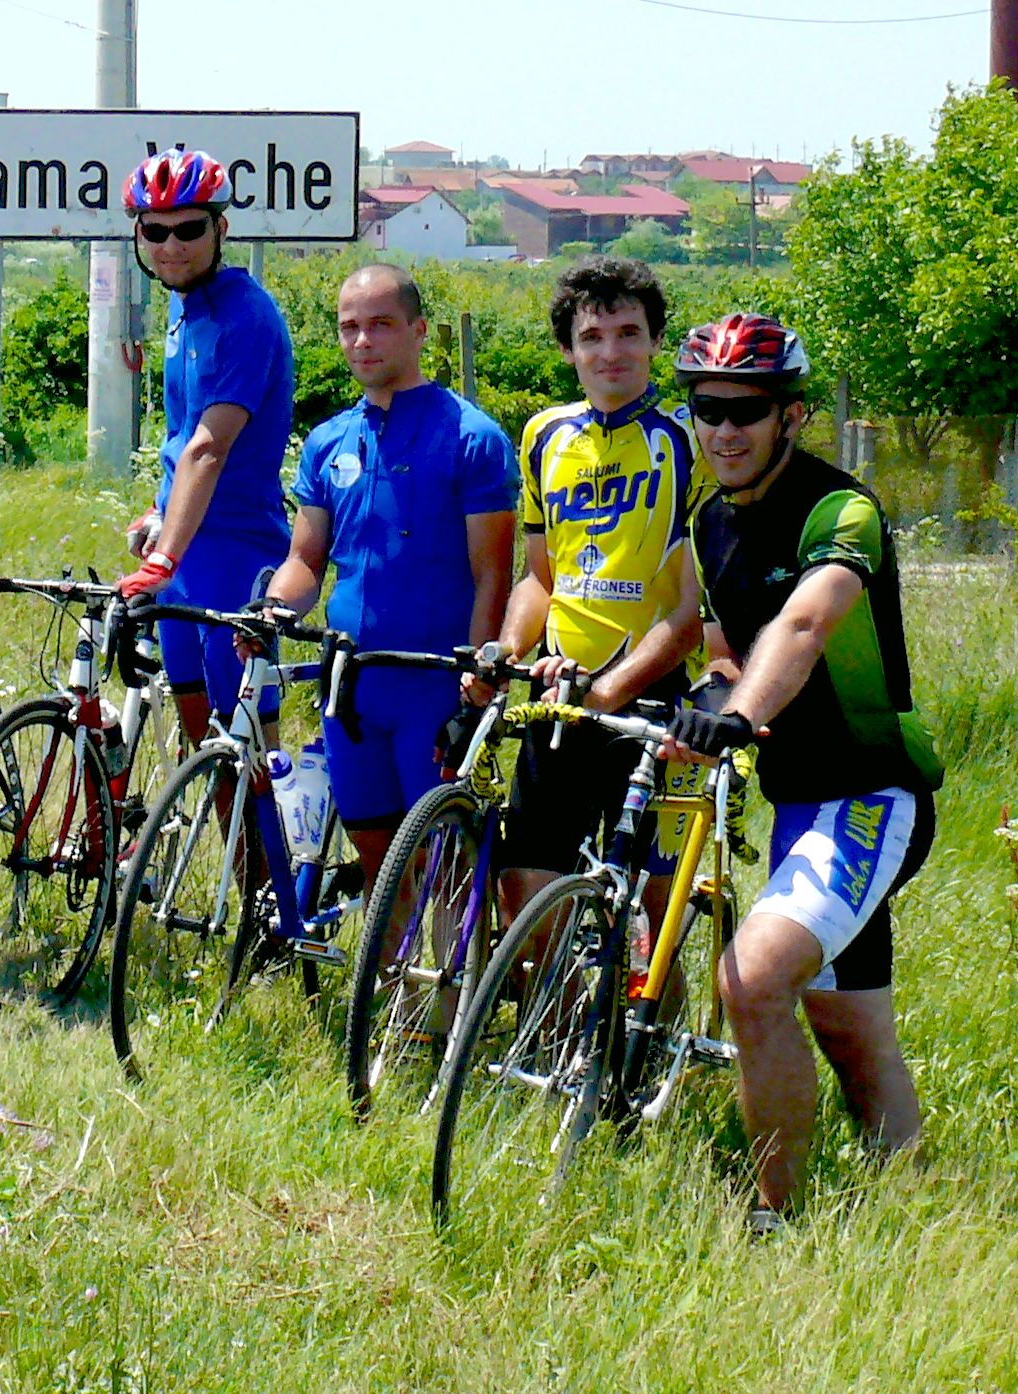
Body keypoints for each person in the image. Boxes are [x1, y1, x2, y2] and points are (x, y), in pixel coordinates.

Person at [665, 312, 943, 1228]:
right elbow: (725, 649)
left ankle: (772, 1218)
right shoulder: (709, 522)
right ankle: (913, 1208)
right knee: (850, 1027)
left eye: (747, 409)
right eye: (707, 408)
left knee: (750, 983)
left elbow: (806, 623)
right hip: (797, 805)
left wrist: (740, 716)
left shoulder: (840, 510)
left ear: (790, 415)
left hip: (869, 794)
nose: (724, 429)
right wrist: (711, 698)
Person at [257, 264, 515, 880]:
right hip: (352, 683)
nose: (362, 341)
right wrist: (271, 610)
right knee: (377, 856)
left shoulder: (473, 437)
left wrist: (480, 677)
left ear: (418, 331)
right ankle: (390, 949)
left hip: (435, 684)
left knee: (442, 867)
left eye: (380, 324)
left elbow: (494, 576)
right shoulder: (328, 440)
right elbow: (305, 562)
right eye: (349, 327)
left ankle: (462, 950)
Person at [488, 257, 708, 929]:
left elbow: (692, 613)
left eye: (628, 333)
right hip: (561, 691)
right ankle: (559, 1005)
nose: (610, 352)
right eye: (591, 337)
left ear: (656, 340)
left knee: (652, 927)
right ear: (567, 350)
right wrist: (505, 650)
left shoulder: (690, 439)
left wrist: (611, 691)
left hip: (657, 698)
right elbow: (540, 578)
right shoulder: (543, 437)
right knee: (527, 903)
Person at [114, 147, 295, 742]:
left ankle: (266, 810)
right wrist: (160, 513)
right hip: (185, 545)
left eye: (189, 229)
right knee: (200, 733)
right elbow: (179, 433)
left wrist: (163, 557)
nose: (171, 246)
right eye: (155, 231)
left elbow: (208, 446)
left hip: (235, 548)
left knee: (245, 747)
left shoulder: (246, 316)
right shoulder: (184, 305)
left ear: (220, 228)